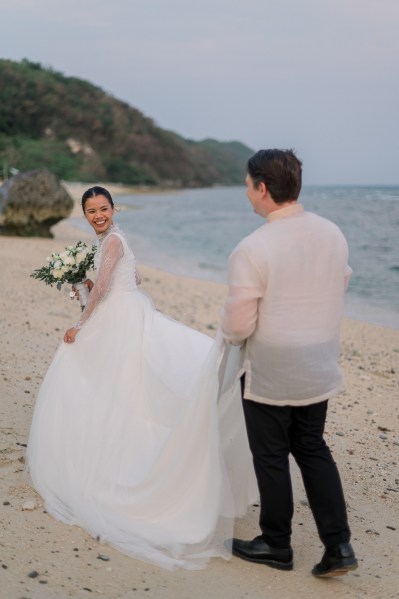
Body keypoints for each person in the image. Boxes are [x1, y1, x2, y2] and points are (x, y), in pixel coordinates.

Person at [27, 186, 257, 570]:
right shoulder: (111, 241)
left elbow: (104, 287)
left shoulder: (112, 240)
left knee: (102, 373)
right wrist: (82, 286)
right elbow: (132, 279)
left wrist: (80, 323)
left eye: (103, 208)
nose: (98, 214)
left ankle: (113, 458)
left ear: (114, 209)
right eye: (91, 210)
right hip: (123, 312)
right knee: (118, 384)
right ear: (83, 214)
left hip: (121, 319)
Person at [220, 149, 358, 577]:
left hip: (272, 370)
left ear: (263, 188)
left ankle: (277, 544)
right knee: (313, 448)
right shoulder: (333, 233)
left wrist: (225, 333)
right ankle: (339, 546)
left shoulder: (253, 247)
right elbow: (341, 282)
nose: (247, 193)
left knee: (272, 456)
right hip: (318, 363)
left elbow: (239, 325)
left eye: (248, 185)